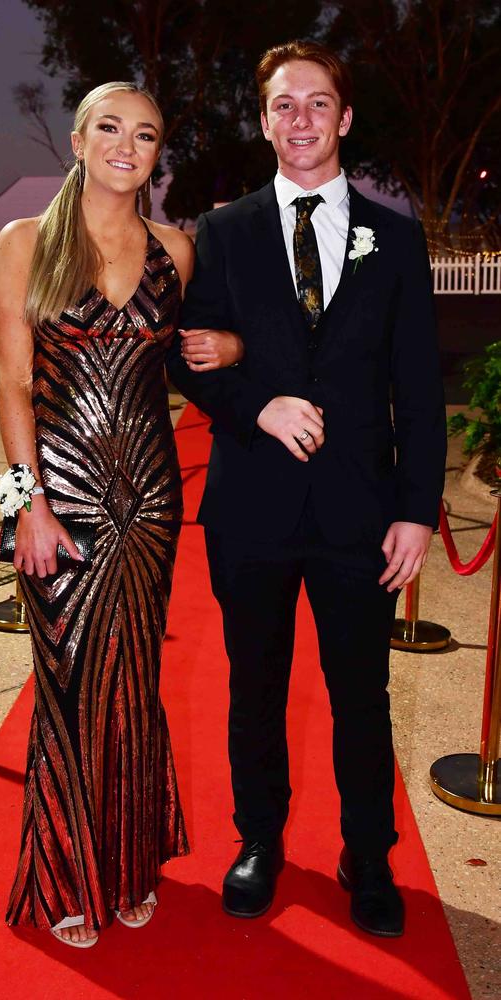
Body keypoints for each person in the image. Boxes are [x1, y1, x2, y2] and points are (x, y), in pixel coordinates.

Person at [166, 41, 446, 938]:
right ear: (262, 120)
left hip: (360, 513)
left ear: (345, 119)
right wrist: (260, 406)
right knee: (254, 688)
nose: (300, 120)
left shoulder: (395, 239)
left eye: (317, 103)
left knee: (362, 694)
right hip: (251, 508)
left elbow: (421, 387)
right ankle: (260, 840)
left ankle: (367, 853)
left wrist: (415, 508)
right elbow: (193, 358)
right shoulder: (223, 232)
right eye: (283, 105)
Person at [0, 81, 243, 948]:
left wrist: (235, 347)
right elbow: (12, 383)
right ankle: (67, 869)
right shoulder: (27, 242)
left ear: (156, 149)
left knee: (131, 683)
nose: (126, 145)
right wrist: (27, 504)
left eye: (144, 133)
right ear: (77, 138)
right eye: (109, 127)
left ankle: (131, 865)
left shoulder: (177, 247)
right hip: (58, 504)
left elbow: (203, 359)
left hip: (150, 502)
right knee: (66, 689)